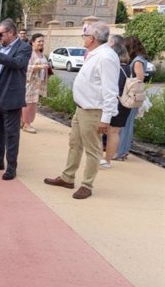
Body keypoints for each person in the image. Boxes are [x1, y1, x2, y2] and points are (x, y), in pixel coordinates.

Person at [44, 21, 119, 199]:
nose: (83, 39)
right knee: (74, 144)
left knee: (92, 149)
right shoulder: (95, 53)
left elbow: (110, 90)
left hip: (94, 110)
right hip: (82, 108)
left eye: (85, 36)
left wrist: (106, 118)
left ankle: (87, 184)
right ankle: (68, 177)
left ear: (92, 38)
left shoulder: (105, 57)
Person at [0, 19, 32, 180]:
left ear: (11, 32)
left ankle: (11, 167)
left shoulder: (24, 47)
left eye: (0, 34)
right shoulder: (0, 48)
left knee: (11, 134)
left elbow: (17, 64)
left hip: (10, 95)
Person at [114, 36, 147, 160]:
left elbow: (140, 79)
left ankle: (121, 152)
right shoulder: (140, 59)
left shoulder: (138, 61)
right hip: (132, 96)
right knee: (126, 124)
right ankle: (123, 151)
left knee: (126, 125)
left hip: (131, 96)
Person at [101, 44, 132, 168]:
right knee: (115, 133)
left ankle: (101, 159)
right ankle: (108, 160)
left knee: (102, 132)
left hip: (115, 103)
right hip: (125, 104)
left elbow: (112, 88)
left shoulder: (116, 68)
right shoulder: (129, 68)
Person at [21, 34, 50, 134]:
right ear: (33, 42)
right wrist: (40, 66)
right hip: (29, 82)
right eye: (39, 41)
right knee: (28, 103)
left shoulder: (41, 54)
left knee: (33, 103)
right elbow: (25, 67)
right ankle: (26, 124)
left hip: (37, 83)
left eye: (42, 41)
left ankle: (24, 122)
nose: (41, 43)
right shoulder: (29, 53)